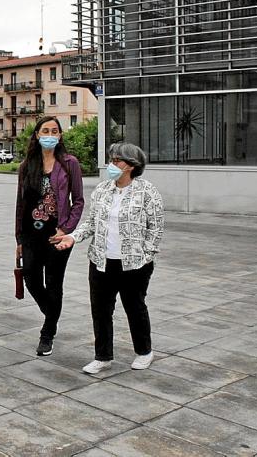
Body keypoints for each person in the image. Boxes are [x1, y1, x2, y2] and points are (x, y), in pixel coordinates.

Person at [57, 142, 164, 374]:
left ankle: (144, 351)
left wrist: (146, 255)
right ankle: (103, 356)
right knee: (101, 310)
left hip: (134, 264)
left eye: (117, 160)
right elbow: (92, 223)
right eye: (111, 159)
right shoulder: (103, 190)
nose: (112, 164)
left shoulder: (147, 192)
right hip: (101, 261)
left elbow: (155, 228)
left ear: (131, 165)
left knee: (135, 308)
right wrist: (73, 237)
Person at [15, 116, 84, 357]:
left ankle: (48, 332)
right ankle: (52, 313)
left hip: (58, 236)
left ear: (60, 136)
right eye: (45, 130)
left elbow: (78, 201)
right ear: (36, 134)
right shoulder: (27, 165)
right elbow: (20, 205)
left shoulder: (69, 163)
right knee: (31, 278)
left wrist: (66, 229)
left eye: (55, 131)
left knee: (55, 284)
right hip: (31, 236)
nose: (50, 135)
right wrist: (19, 240)